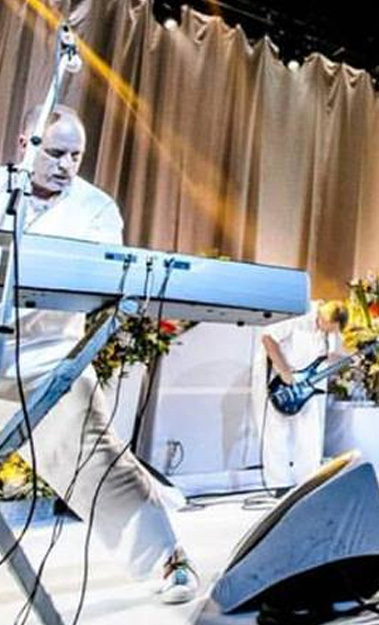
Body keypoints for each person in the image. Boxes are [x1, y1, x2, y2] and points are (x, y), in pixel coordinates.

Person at [0, 106, 196, 603]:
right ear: (26, 144)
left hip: (47, 357)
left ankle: (168, 561)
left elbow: (100, 280)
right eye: (55, 153)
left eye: (76, 156)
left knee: (97, 456)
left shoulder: (96, 208)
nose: (66, 165)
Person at [260, 300, 348, 489]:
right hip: (282, 383)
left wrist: (348, 359)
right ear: (325, 317)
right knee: (278, 434)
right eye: (329, 328)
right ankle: (279, 484)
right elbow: (268, 338)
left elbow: (325, 357)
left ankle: (307, 481)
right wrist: (284, 371)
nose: (328, 332)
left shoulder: (326, 333)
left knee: (309, 435)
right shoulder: (299, 315)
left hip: (307, 386)